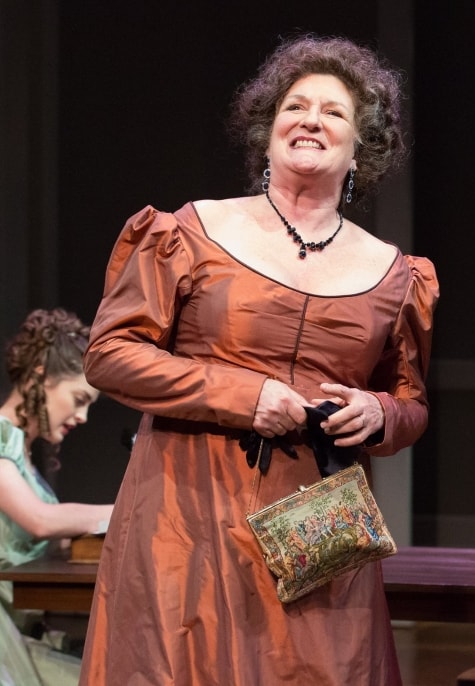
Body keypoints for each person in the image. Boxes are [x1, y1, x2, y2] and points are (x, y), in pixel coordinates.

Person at [78, 34, 438, 685]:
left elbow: (411, 404)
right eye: (295, 107)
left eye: (333, 111)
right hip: (186, 514)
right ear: (267, 132)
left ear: (362, 146)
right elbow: (110, 354)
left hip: (315, 533)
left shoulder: (395, 275)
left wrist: (378, 413)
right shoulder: (189, 232)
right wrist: (246, 396)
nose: (310, 120)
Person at [0, 308, 112, 686]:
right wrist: (129, 510)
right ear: (41, 376)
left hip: (25, 622)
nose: (82, 416)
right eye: (79, 398)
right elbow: (40, 521)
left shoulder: (23, 455)